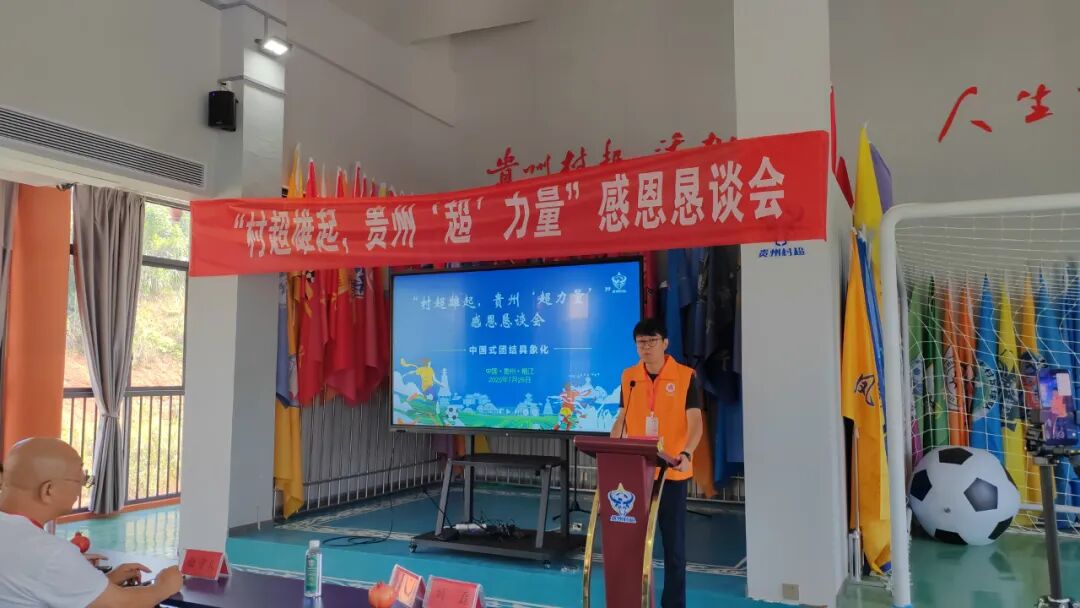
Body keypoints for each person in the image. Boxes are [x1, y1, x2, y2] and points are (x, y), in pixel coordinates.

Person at [0, 437, 183, 607]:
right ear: (49, 490)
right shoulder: (50, 553)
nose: (80, 490)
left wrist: (102, 583)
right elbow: (122, 604)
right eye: (80, 481)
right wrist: (163, 586)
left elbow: (34, 586)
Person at [610, 319, 703, 608]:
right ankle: (636, 600)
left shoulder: (685, 376)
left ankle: (673, 604)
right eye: (641, 342)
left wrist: (687, 453)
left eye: (652, 341)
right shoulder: (629, 377)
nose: (646, 347)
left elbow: (695, 422)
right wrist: (612, 447)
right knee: (632, 545)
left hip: (671, 473)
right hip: (637, 473)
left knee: (674, 548)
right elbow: (622, 417)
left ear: (665, 343)